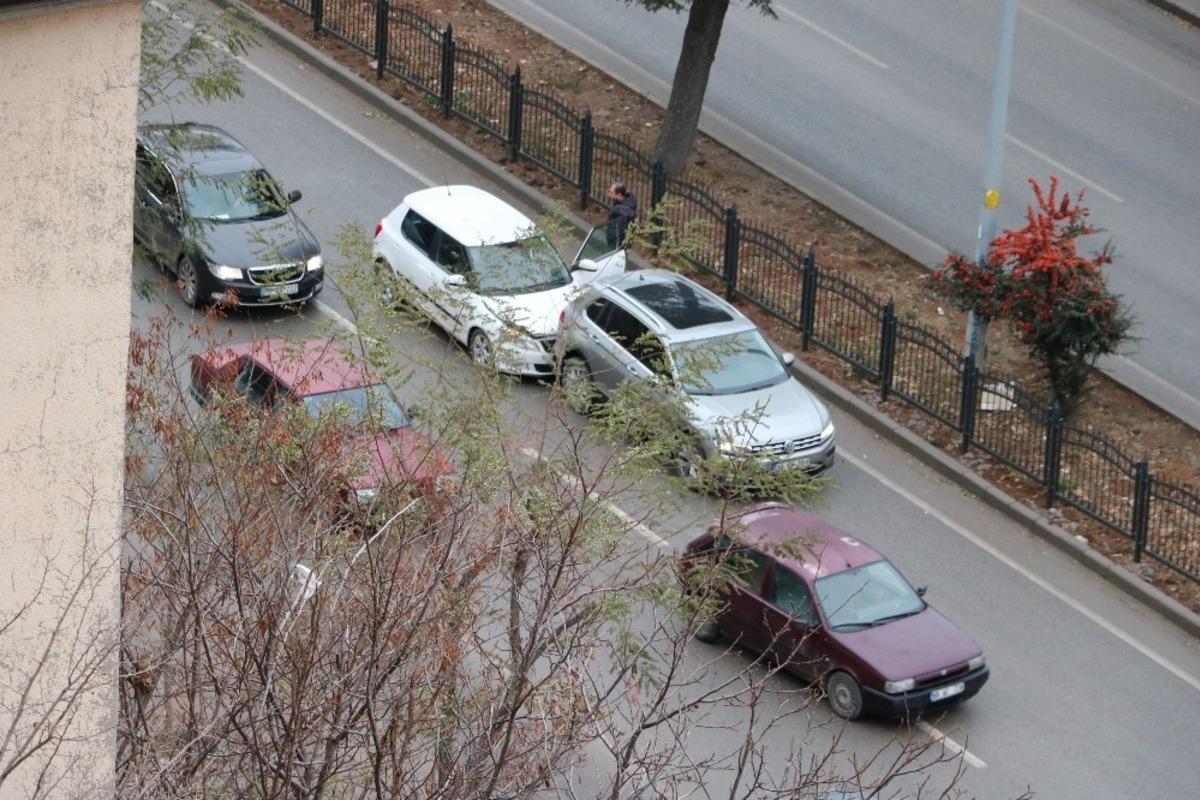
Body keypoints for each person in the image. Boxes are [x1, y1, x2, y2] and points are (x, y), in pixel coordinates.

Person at [605, 182, 637, 249]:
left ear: (619, 195)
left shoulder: (619, 212)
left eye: (611, 192)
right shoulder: (629, 201)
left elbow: (619, 232)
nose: (609, 194)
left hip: (618, 245)